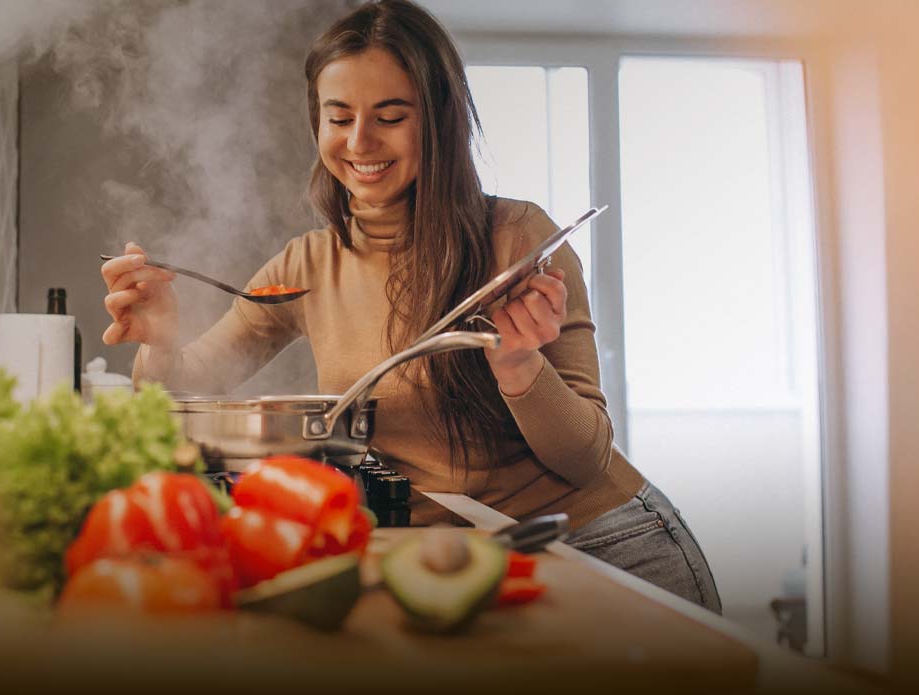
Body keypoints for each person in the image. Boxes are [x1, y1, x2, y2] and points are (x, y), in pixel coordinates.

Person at [98, 0, 721, 613]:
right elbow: (183, 390)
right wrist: (160, 341)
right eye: (338, 117)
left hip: (598, 543)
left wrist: (521, 368)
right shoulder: (306, 266)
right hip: (457, 556)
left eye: (390, 116)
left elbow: (586, 460)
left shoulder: (517, 238)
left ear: (439, 121)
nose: (359, 141)